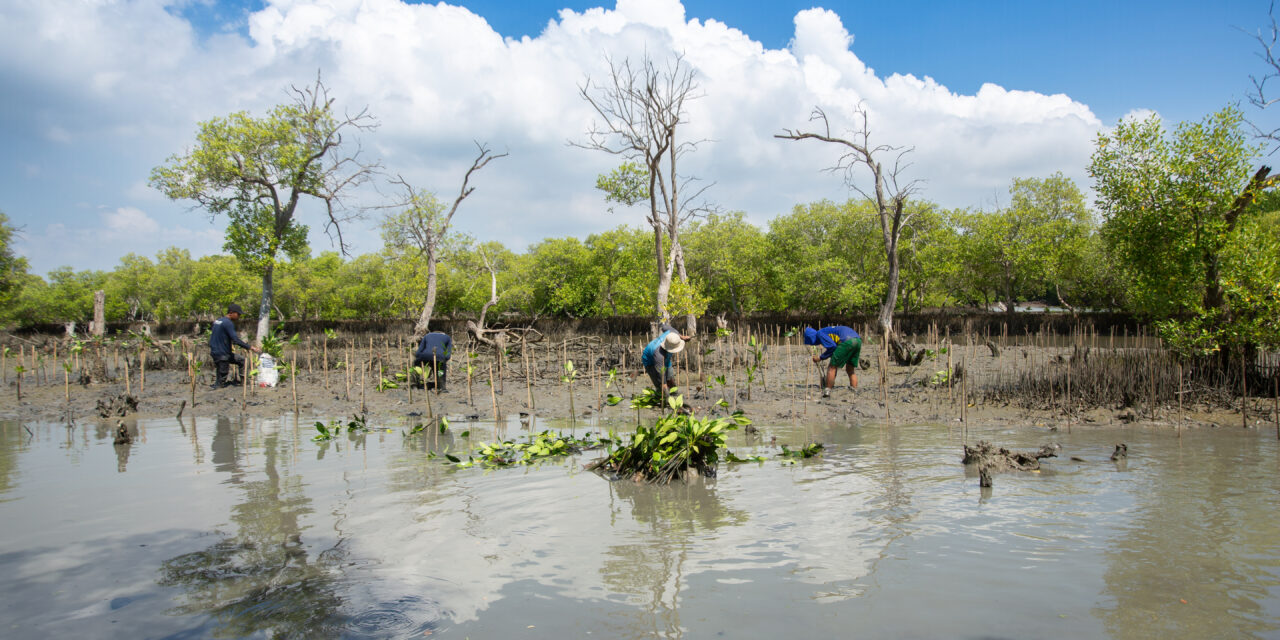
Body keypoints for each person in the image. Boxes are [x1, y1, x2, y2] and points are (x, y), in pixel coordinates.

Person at [210, 303, 259, 389]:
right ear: (231, 313)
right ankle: (218, 389)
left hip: (216, 352)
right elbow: (235, 339)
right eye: (238, 314)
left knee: (241, 360)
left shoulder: (218, 321)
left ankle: (243, 383)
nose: (239, 316)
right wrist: (250, 347)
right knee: (222, 378)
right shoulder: (228, 323)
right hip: (223, 354)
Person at [804, 325, 861, 398]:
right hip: (857, 340)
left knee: (832, 367)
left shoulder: (820, 334)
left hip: (847, 341)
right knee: (850, 370)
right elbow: (835, 347)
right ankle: (854, 391)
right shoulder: (826, 330)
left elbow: (832, 347)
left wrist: (820, 358)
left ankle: (827, 391)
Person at [641, 322, 691, 394]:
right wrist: (666, 395)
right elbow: (662, 377)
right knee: (660, 384)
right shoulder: (659, 356)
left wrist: (682, 337)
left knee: (670, 380)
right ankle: (662, 399)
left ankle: (674, 394)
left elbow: (664, 327)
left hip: (665, 358)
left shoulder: (673, 333)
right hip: (650, 361)